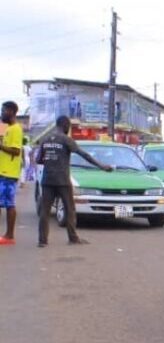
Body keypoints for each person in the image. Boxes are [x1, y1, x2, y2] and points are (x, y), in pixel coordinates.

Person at [37, 116, 112, 247]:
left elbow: (38, 159)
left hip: (47, 179)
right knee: (70, 209)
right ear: (66, 125)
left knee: (45, 211)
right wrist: (101, 166)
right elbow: (84, 155)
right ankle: (73, 238)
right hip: (63, 180)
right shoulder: (66, 140)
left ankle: (42, 241)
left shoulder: (45, 139)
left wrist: (51, 161)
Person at [0, 101, 23, 245]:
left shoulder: (16, 129)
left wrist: (0, 146)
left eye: (3, 111)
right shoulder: (7, 128)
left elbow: (16, 151)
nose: (1, 113)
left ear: (11, 112)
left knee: (9, 204)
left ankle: (9, 236)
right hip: (2, 171)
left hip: (9, 173)